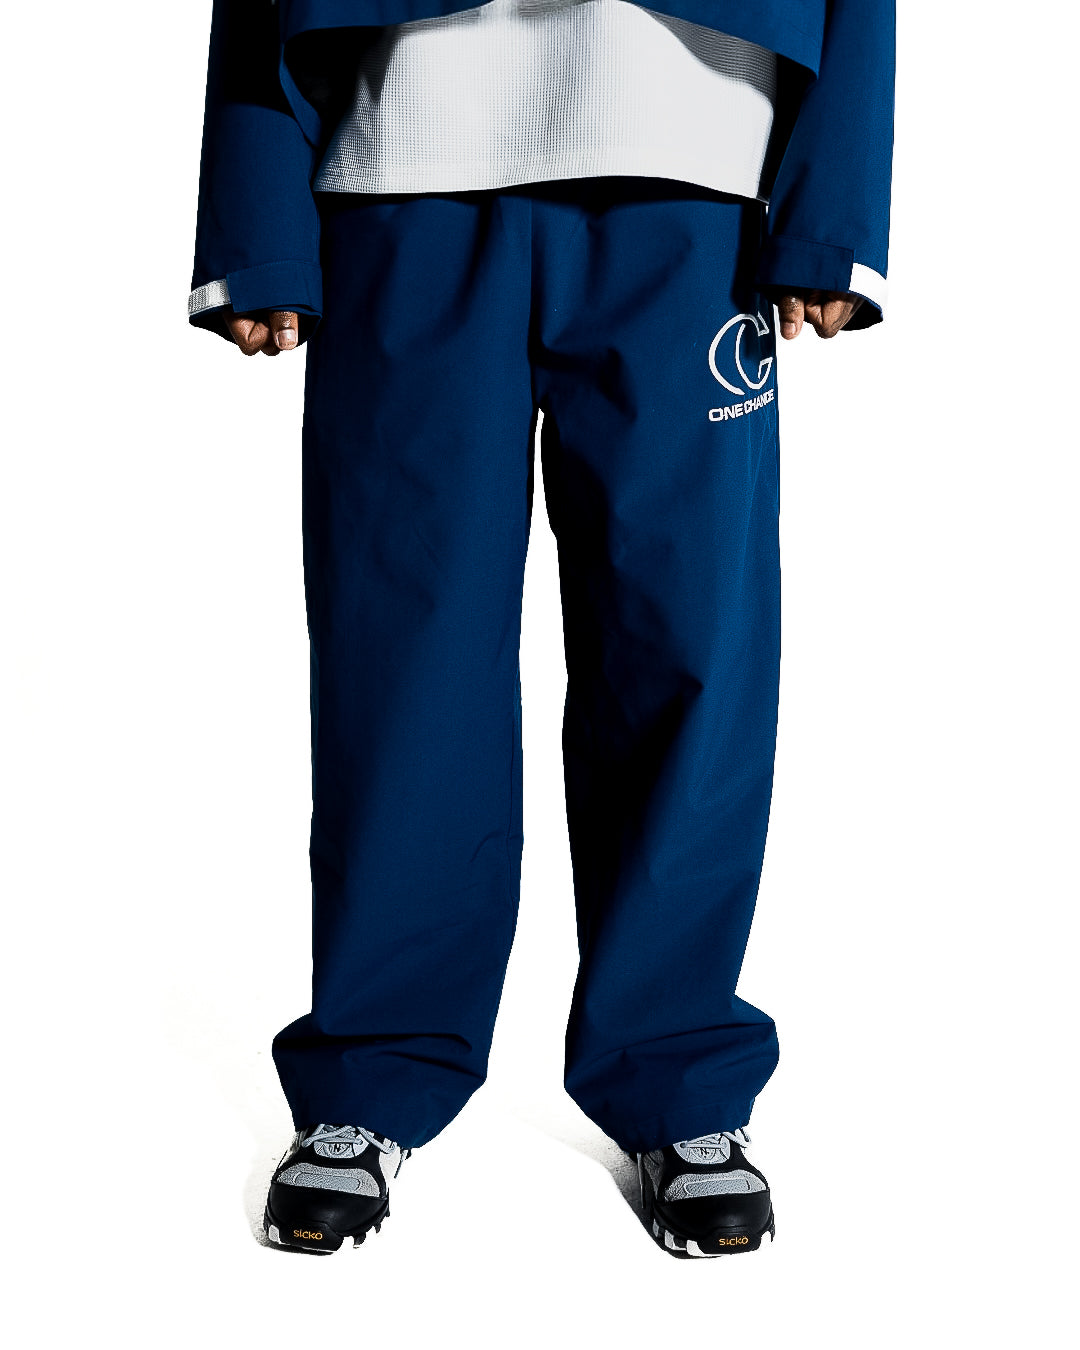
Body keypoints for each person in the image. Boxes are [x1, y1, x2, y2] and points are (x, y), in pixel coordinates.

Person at [187, 0, 894, 1259]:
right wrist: (254, 218)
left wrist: (832, 207)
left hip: (692, 169)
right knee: (402, 659)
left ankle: (677, 1074)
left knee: (686, 649)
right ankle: (374, 1070)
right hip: (406, 167)